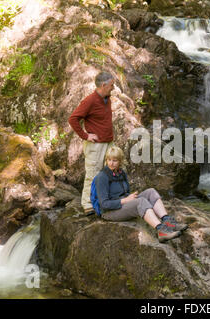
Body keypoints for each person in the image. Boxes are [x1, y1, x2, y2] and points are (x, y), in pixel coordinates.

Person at [94, 146, 188, 243]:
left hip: (122, 204)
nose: (111, 163)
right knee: (141, 202)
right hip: (109, 212)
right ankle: (161, 231)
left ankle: (168, 222)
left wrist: (129, 197)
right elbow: (104, 204)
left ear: (120, 161)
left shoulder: (121, 173)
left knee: (151, 192)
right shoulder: (102, 177)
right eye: (109, 160)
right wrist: (125, 200)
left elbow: (124, 193)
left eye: (115, 160)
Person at [68, 72, 115, 215]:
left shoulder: (107, 98)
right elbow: (73, 119)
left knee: (109, 172)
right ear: (103, 85)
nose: (113, 87)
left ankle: (104, 199)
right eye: (112, 84)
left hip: (108, 142)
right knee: (93, 174)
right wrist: (85, 135)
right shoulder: (90, 100)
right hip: (95, 145)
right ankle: (88, 204)